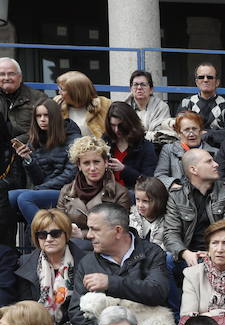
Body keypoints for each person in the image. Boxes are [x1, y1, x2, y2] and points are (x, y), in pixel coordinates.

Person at [68, 203, 169, 325]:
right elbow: (76, 311)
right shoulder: (88, 263)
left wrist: (111, 283)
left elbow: (158, 292)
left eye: (95, 229)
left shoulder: (151, 253)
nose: (89, 235)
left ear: (117, 230)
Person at [14, 209, 88, 325]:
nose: (48, 239)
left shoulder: (86, 262)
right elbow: (24, 305)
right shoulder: (25, 263)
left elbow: (88, 307)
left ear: (66, 234)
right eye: (42, 234)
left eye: (55, 233)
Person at [163, 148, 225, 268]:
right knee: (167, 259)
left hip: (220, 254)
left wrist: (213, 253)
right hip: (188, 256)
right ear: (194, 169)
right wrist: (185, 253)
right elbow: (171, 233)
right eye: (209, 161)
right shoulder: (176, 196)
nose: (216, 164)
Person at [8, 97, 79, 226]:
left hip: (68, 192)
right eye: (38, 116)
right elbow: (39, 179)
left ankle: (48, 234)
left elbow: (70, 175)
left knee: (25, 198)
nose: (42, 119)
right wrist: (29, 160)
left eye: (46, 115)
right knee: (7, 197)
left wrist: (40, 188)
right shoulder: (35, 140)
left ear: (56, 117)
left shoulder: (73, 139)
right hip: (43, 189)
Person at [56, 136, 130, 234]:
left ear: (106, 162)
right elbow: (59, 225)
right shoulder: (67, 191)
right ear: (79, 166)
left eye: (96, 162)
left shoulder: (120, 193)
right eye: (86, 163)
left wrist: (82, 235)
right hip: (72, 243)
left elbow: (118, 230)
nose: (92, 168)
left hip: (106, 246)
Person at [178, 63, 225, 147]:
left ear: (217, 82)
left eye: (210, 77)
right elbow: (179, 129)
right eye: (201, 77)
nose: (205, 80)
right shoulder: (186, 103)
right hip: (190, 150)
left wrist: (209, 134)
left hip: (219, 151)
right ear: (196, 82)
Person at [154, 111, 218, 191]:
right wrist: (173, 186)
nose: (191, 134)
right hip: (178, 196)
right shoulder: (169, 150)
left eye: (194, 129)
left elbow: (220, 180)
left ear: (201, 131)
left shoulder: (215, 153)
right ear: (179, 133)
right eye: (187, 130)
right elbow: (160, 176)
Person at [102, 101, 157, 189]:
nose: (116, 130)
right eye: (113, 125)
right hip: (107, 191)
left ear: (130, 123)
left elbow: (149, 181)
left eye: (120, 125)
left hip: (134, 194)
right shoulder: (104, 142)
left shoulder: (145, 147)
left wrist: (124, 169)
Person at [53, 71, 111, 138]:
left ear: (76, 92)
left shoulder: (104, 105)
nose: (59, 92)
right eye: (59, 88)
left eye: (62, 89)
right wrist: (54, 108)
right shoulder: (58, 106)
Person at [0, 57, 47, 138]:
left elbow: (48, 128)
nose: (7, 78)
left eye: (11, 74)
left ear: (20, 77)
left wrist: (22, 142)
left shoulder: (38, 98)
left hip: (29, 147)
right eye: (2, 74)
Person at [124, 69, 174, 145]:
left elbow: (161, 134)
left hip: (155, 147)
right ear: (130, 89)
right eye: (135, 84)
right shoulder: (124, 108)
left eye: (143, 84)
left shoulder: (161, 107)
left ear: (151, 89)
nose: (139, 88)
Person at [129, 176, 167, 250]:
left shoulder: (167, 222)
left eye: (145, 201)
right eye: (137, 199)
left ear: (158, 201)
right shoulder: (132, 219)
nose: (140, 205)